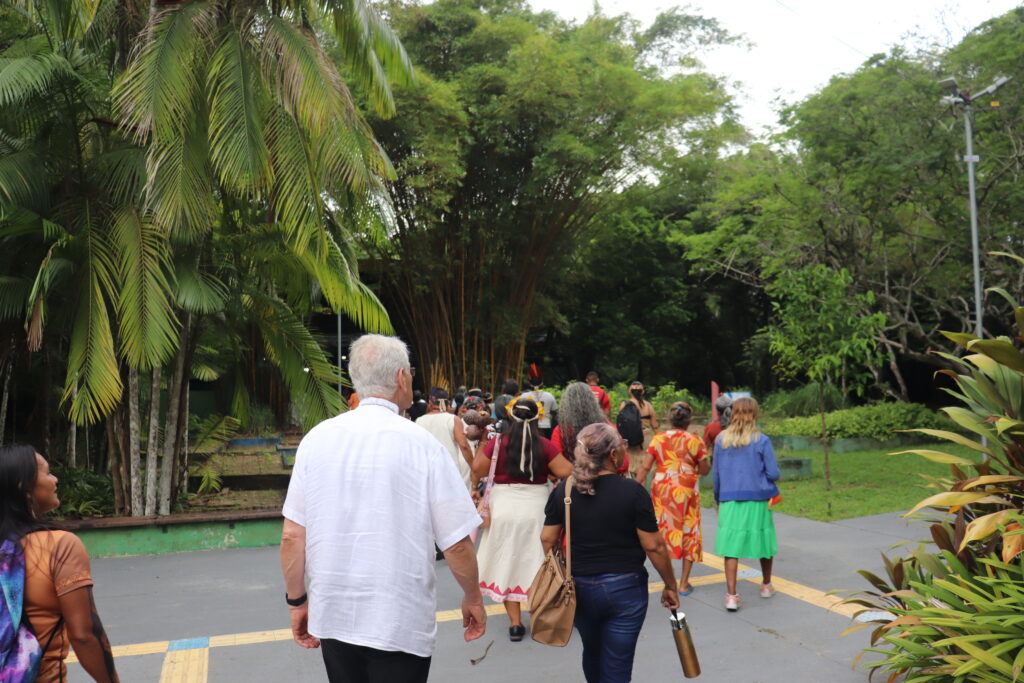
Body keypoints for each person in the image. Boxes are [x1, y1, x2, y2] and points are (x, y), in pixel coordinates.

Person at [280, 334, 486, 682]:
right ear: (401, 379)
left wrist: (297, 602)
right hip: (400, 619)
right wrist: (473, 598)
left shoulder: (316, 440)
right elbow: (456, 542)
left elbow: (292, 536)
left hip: (335, 616)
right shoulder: (422, 445)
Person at [541, 423, 680, 683]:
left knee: (592, 651)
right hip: (624, 589)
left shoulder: (565, 490)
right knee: (617, 663)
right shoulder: (632, 492)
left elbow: (547, 538)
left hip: (578, 586)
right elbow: (654, 546)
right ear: (614, 455)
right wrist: (670, 585)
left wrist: (559, 570)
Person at [0, 444, 118, 683]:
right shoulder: (59, 546)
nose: (55, 480)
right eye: (48, 472)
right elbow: (85, 635)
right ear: (24, 488)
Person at [471, 399, 572, 641]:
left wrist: (485, 439)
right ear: (538, 418)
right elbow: (566, 471)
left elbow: (478, 469)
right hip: (537, 509)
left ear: (510, 418)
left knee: (507, 563)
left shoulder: (498, 443)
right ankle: (539, 616)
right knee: (537, 563)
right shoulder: (544, 445)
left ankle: (515, 624)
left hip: (503, 509)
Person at [712, 397, 780, 612]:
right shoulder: (762, 440)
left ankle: (732, 596)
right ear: (755, 414)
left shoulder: (721, 439)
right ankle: (766, 585)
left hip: (730, 498)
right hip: (758, 498)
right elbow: (774, 473)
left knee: (731, 548)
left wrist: (717, 498)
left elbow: (716, 474)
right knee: (763, 539)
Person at [635, 403, 709, 595]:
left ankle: (668, 582)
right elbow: (704, 469)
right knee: (689, 532)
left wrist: (635, 487)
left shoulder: (658, 439)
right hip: (686, 491)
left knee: (660, 532)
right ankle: (684, 584)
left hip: (663, 491)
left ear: (669, 419)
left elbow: (645, 467)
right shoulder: (695, 440)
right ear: (689, 421)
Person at [551, 382, 629, 474]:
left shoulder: (561, 431)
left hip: (575, 482)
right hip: (606, 482)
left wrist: (579, 473)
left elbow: (556, 466)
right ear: (593, 401)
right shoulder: (607, 428)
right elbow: (624, 464)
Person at [416, 388, 477, 493]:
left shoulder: (419, 421)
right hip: (449, 473)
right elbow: (464, 446)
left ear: (430, 402)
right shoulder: (453, 419)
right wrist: (474, 468)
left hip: (426, 474)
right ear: (448, 402)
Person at [618, 381, 658, 481]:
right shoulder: (648, 405)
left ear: (629, 391)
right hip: (646, 439)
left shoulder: (624, 404)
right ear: (643, 392)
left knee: (630, 468)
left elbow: (621, 424)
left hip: (630, 439)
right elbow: (655, 426)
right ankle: (642, 492)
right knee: (643, 469)